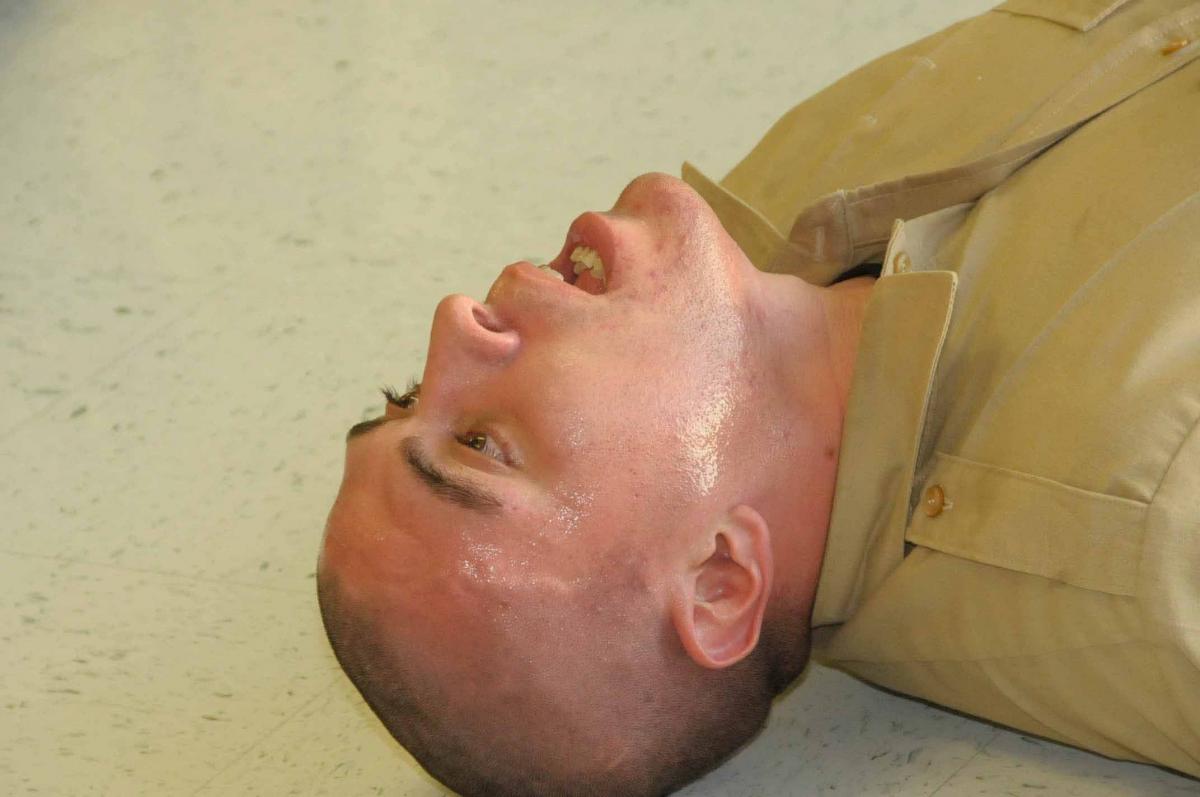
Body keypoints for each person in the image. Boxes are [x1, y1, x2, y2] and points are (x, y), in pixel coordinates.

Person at [317, 0, 1200, 793]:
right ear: (718, 579)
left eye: (406, 393)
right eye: (480, 443)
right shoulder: (1156, 540)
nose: (454, 321)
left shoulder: (748, 230)